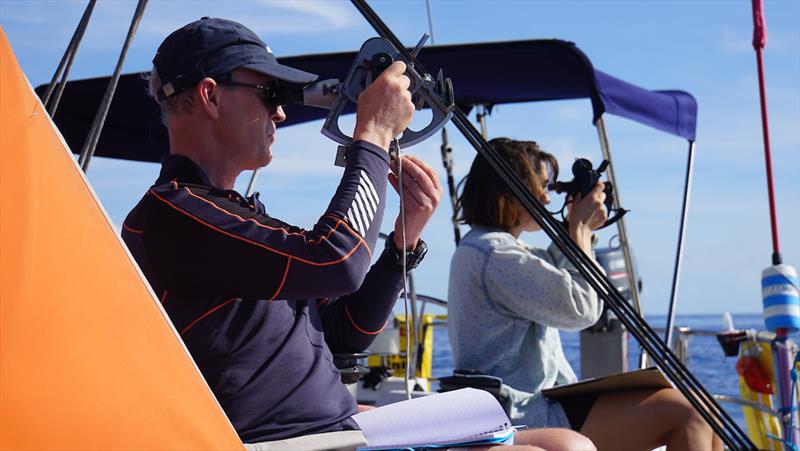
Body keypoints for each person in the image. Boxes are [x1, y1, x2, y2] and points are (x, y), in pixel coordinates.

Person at [122, 18, 593, 451]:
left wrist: (402, 243)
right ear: (210, 95)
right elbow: (336, 261)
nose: (281, 114)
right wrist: (373, 133)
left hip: (334, 430)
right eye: (270, 94)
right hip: (293, 442)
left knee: (566, 444)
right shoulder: (174, 215)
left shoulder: (226, 215)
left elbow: (345, 332)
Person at [448, 138, 723, 451]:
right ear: (509, 191)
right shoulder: (493, 254)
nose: (545, 198)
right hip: (521, 411)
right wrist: (580, 231)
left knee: (702, 408)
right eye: (539, 187)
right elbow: (581, 309)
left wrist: (575, 227)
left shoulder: (489, 248)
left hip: (533, 402)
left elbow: (551, 268)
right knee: (688, 414)